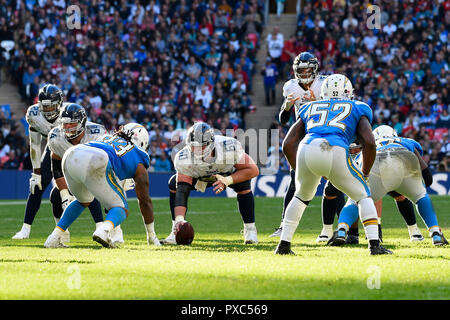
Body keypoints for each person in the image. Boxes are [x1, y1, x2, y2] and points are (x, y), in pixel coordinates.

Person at [275, 74, 391, 255]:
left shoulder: (310, 106)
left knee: (300, 196)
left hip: (307, 147)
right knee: (363, 194)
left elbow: (288, 144)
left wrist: (300, 170)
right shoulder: (358, 107)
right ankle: (375, 246)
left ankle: (283, 245)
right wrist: (365, 174)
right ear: (349, 92)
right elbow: (369, 142)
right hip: (334, 148)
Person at [44, 123, 160, 248]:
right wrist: (151, 235)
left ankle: (53, 238)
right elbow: (144, 201)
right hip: (97, 159)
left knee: (83, 200)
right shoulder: (138, 157)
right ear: (142, 142)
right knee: (121, 207)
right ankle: (103, 231)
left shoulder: (106, 138)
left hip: (70, 154)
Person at [271, 52, 346, 244]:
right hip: (303, 137)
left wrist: (316, 103)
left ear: (315, 69)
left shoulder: (326, 84)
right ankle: (283, 226)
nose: (304, 73)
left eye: (307, 69)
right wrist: (287, 106)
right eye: (301, 70)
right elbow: (283, 120)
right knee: (295, 181)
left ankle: (343, 227)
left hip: (326, 135)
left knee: (335, 180)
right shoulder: (290, 86)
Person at [329, 125, 448, 246]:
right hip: (404, 158)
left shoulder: (368, 147)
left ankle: (342, 231)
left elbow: (359, 168)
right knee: (421, 196)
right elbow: (427, 176)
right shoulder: (406, 141)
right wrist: (421, 187)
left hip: (378, 161)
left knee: (356, 200)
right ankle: (435, 233)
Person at [161, 122, 259, 245]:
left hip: (226, 174)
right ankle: (176, 229)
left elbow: (253, 170)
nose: (196, 150)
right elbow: (182, 189)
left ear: (210, 143)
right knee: (174, 184)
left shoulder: (228, 147)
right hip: (201, 177)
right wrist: (180, 220)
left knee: (244, 184)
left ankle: (250, 230)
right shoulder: (183, 157)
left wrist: (228, 180)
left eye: (200, 146)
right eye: (193, 146)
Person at [47, 103, 114, 245]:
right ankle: (62, 235)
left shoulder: (97, 134)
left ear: (82, 123)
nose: (67, 128)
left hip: (96, 173)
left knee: (92, 190)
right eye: (65, 124)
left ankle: (102, 228)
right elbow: (56, 164)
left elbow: (108, 160)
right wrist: (65, 194)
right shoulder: (56, 137)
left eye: (72, 124)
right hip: (70, 174)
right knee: (55, 196)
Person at [12, 84, 65, 240]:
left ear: (59, 104)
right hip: (53, 149)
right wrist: (36, 172)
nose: (48, 110)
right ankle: (25, 229)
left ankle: (106, 227)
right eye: (45, 107)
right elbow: (34, 144)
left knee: (89, 188)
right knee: (37, 186)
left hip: (73, 150)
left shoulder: (69, 114)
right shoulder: (34, 114)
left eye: (51, 106)